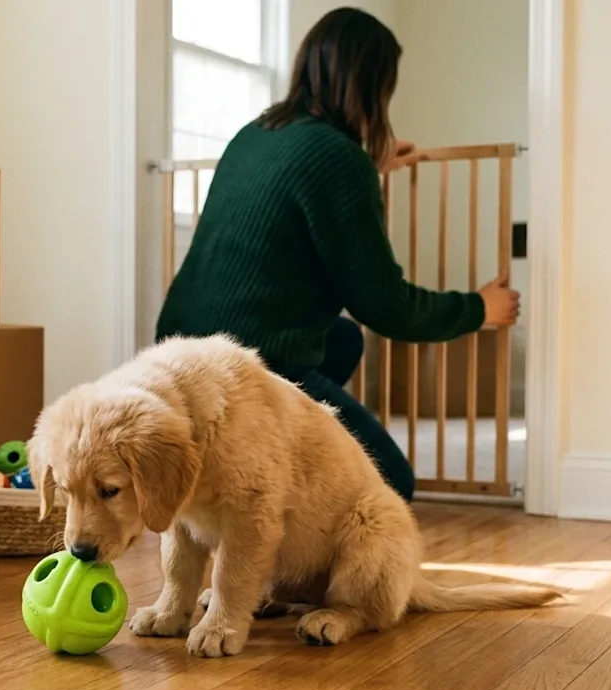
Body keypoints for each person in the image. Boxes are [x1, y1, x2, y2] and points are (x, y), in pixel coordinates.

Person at [154, 7, 521, 502]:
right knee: (390, 484)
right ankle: (266, 461)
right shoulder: (338, 159)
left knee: (343, 339)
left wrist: (368, 165)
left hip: (178, 353)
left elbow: (300, 190)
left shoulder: (257, 133)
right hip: (245, 368)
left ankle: (267, 447)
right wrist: (479, 308)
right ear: (372, 85)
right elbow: (387, 307)